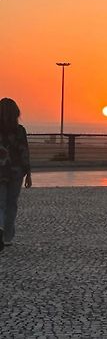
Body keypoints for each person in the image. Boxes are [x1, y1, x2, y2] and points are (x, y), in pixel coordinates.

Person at [0, 98, 32, 251]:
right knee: (12, 204)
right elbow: (24, 152)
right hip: (16, 171)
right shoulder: (20, 130)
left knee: (0, 204)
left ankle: (0, 228)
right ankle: (7, 237)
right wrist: (28, 174)